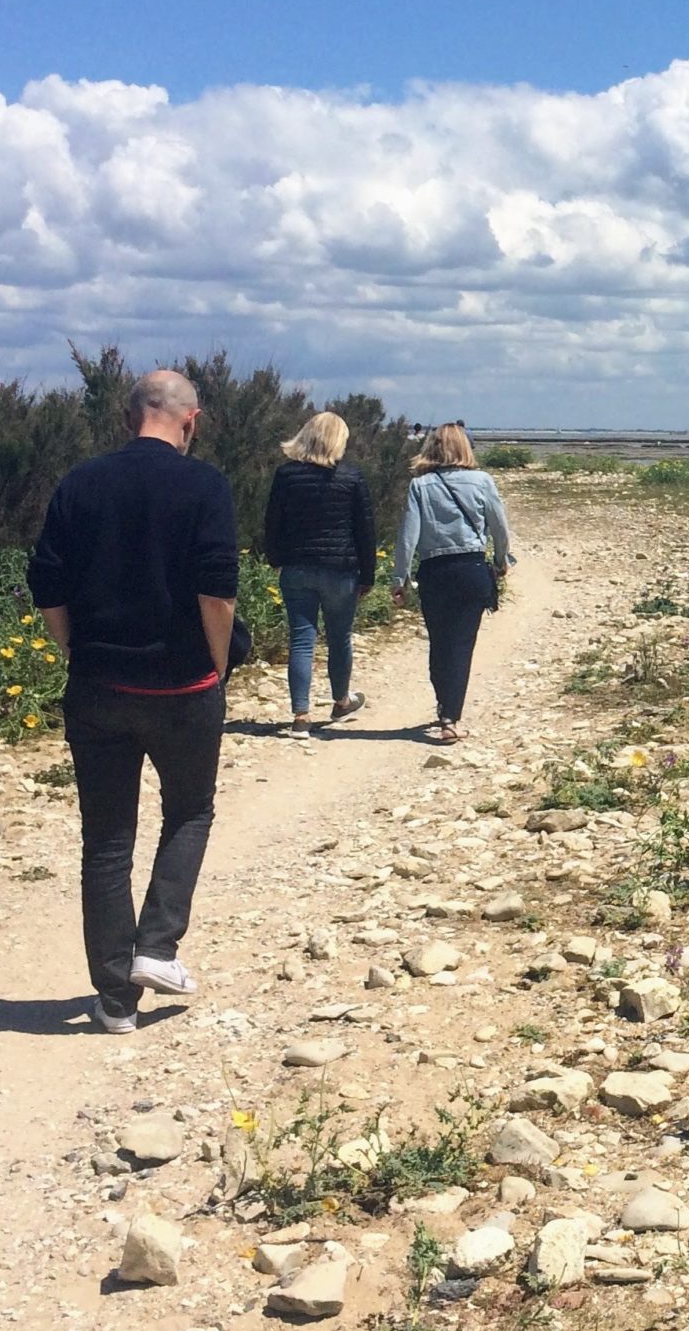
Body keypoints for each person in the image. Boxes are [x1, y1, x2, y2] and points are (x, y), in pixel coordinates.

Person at [27, 369, 239, 1033]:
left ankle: (115, 998)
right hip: (183, 687)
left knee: (107, 840)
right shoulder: (204, 484)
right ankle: (156, 947)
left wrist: (74, 652)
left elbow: (48, 588)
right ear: (191, 420)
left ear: (128, 419)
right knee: (190, 812)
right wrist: (218, 664)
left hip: (98, 686)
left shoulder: (81, 481)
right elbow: (217, 594)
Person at [394, 423, 513, 744]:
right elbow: (499, 527)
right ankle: (450, 717)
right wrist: (502, 561)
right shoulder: (483, 481)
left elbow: (408, 537)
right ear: (466, 447)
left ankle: (444, 705)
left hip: (434, 572)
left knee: (439, 641)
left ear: (431, 448)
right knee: (461, 645)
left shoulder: (420, 486)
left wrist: (399, 578)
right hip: (471, 568)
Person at [260, 411, 375, 738]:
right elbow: (365, 530)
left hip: (297, 568)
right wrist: (368, 574)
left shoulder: (287, 475)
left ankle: (300, 716)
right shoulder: (351, 477)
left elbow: (273, 523)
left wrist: (276, 559)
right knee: (339, 638)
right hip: (341, 570)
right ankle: (341, 701)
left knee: (301, 640)